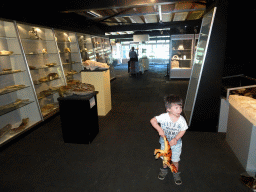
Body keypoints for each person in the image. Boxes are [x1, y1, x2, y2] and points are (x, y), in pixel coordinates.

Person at [150, 95, 188, 185]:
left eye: (180, 107)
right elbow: (153, 121)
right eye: (176, 108)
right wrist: (159, 129)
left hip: (176, 144)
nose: (180, 110)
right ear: (168, 109)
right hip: (165, 143)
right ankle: (164, 170)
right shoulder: (164, 117)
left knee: (175, 160)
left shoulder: (181, 120)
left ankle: (175, 173)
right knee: (166, 159)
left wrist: (176, 138)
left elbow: (183, 130)